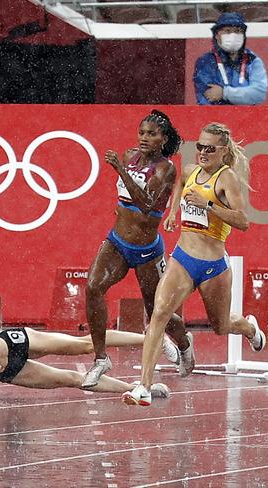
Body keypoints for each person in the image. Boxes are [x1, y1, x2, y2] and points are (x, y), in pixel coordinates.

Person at [122, 122, 267, 407]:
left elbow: (244, 222)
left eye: (209, 149)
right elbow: (180, 186)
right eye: (199, 146)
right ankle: (144, 386)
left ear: (223, 152)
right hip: (183, 258)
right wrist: (174, 211)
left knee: (221, 326)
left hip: (213, 265)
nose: (202, 153)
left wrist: (208, 205)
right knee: (159, 314)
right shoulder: (191, 171)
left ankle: (249, 327)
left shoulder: (228, 180)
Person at [82, 109, 192, 388]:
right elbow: (127, 199)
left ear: (163, 139)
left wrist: (120, 170)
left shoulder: (166, 169)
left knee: (159, 312)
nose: (144, 138)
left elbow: (147, 204)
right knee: (93, 287)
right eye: (142, 132)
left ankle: (183, 343)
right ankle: (100, 358)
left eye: (151, 134)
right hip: (117, 242)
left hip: (147, 251)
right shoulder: (130, 155)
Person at [0, 328, 174, 405]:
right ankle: (136, 388)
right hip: (12, 372)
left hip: (17, 343)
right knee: (72, 379)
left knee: (85, 345)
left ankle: (152, 339)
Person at [193, 13, 268, 106]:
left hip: (248, 118)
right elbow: (208, 97)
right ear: (217, 35)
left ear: (243, 35)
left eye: (237, 31)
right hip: (215, 118)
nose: (233, 35)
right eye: (227, 31)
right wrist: (243, 96)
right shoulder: (206, 61)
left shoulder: (253, 60)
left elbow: (259, 94)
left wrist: (224, 93)